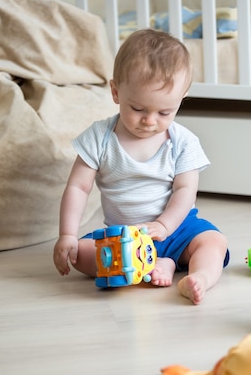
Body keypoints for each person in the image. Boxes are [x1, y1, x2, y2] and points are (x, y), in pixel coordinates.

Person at [53, 29, 229, 304]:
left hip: (177, 229)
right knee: (81, 254)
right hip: (123, 237)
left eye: (164, 112)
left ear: (181, 101)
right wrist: (67, 235)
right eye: (138, 108)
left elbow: (185, 190)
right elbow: (78, 186)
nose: (149, 120)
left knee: (213, 242)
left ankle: (199, 278)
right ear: (116, 92)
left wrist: (164, 225)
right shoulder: (99, 137)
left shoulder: (182, 142)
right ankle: (158, 265)